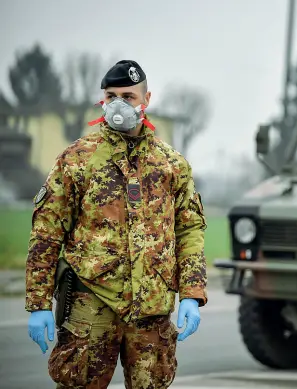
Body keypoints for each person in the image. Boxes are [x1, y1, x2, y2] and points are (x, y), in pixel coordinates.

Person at [24, 59, 208, 389]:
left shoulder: (171, 164)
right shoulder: (77, 159)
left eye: (128, 96)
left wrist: (192, 294)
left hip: (152, 310)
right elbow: (47, 231)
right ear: (102, 100)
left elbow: (189, 229)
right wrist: (38, 302)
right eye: (111, 96)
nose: (118, 104)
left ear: (146, 100)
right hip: (90, 304)